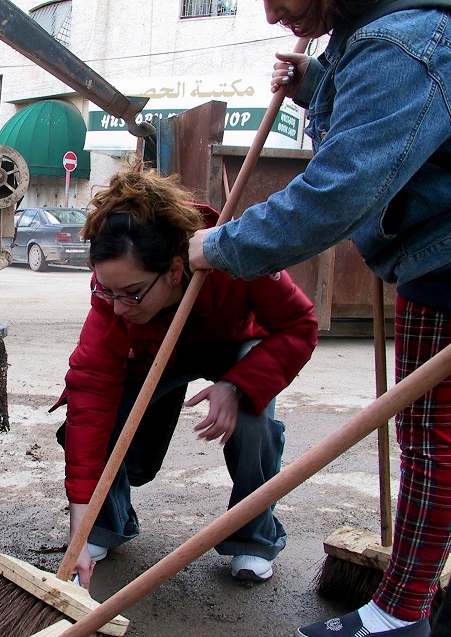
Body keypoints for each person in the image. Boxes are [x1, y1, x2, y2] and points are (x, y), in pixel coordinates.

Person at [188, 2, 451, 635]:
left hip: (446, 264)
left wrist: (221, 246)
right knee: (428, 440)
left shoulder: (403, 42)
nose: (274, 14)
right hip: (428, 258)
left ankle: (399, 613)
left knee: (432, 445)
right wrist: (316, 84)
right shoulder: (377, 31)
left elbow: (337, 190)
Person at [51, 162, 318, 589]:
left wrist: (236, 386)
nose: (117, 307)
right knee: (95, 422)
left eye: (132, 293)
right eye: (107, 291)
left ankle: (252, 534)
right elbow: (90, 391)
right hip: (154, 354)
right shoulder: (116, 298)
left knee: (253, 419)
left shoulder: (234, 251)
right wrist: (77, 523)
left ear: (175, 271)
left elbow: (299, 325)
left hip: (234, 347)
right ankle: (104, 525)